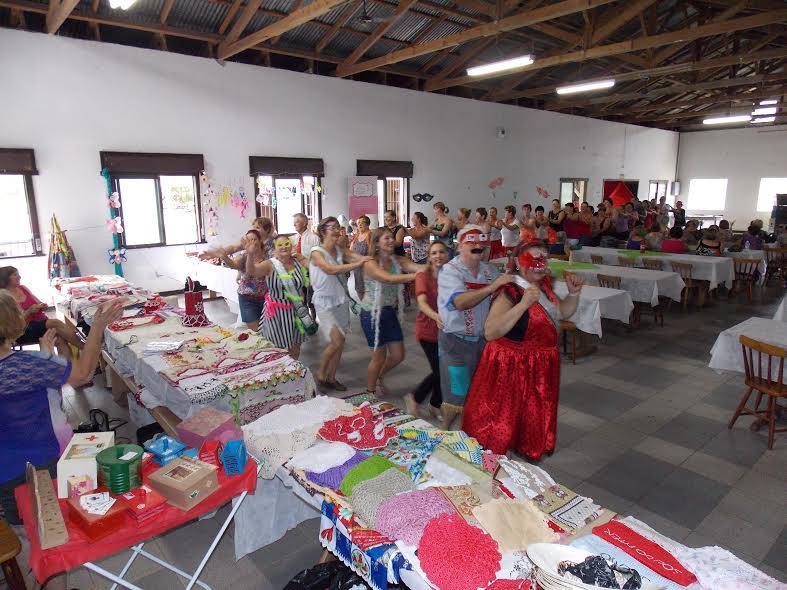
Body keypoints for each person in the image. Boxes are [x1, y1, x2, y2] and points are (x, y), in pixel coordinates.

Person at [0, 293, 125, 525]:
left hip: (5, 471)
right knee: (57, 518)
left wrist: (47, 358)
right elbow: (84, 373)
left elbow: (31, 396)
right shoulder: (29, 365)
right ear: (15, 322)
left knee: (23, 522)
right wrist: (97, 326)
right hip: (42, 462)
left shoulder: (34, 365)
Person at [462, 241, 582, 459]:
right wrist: (523, 304)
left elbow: (561, 314)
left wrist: (573, 294)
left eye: (543, 258)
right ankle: (492, 471)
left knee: (526, 421)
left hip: (538, 369)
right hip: (510, 369)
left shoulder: (544, 286)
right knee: (500, 425)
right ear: (517, 262)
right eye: (532, 258)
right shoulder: (510, 291)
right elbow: (491, 331)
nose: (539, 264)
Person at [437, 227, 514, 430]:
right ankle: (444, 434)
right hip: (455, 344)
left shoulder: (490, 271)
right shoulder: (449, 271)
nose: (478, 246)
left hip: (483, 344)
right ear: (460, 245)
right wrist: (492, 287)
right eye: (471, 242)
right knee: (456, 396)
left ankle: (469, 437)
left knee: (479, 393)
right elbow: (461, 302)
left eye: (482, 243)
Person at [309, 217, 370, 391]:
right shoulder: (316, 252)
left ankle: (331, 377)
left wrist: (369, 259)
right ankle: (321, 373)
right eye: (333, 228)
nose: (337, 231)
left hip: (340, 299)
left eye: (338, 227)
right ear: (322, 231)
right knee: (336, 341)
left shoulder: (339, 249)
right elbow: (330, 269)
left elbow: (357, 256)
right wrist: (358, 263)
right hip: (324, 302)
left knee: (341, 342)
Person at [358, 229, 420, 396]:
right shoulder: (370, 263)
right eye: (387, 238)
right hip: (371, 313)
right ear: (377, 243)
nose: (392, 240)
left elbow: (418, 267)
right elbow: (387, 278)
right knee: (379, 357)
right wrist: (415, 276)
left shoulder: (398, 260)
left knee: (398, 355)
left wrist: (436, 265)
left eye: (392, 237)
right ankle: (370, 392)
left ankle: (378, 376)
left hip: (388, 311)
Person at [242, 234, 312, 358]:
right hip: (276, 313)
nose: (284, 247)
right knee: (275, 348)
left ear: (292, 246)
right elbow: (251, 271)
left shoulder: (298, 262)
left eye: (287, 244)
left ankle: (293, 372)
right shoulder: (270, 264)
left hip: (296, 311)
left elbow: (305, 282)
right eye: (280, 245)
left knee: (295, 346)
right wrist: (250, 254)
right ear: (274, 249)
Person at [404, 241, 449, 419]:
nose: (438, 256)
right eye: (434, 253)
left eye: (441, 252)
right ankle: (415, 398)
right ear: (429, 257)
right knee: (439, 370)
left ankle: (435, 404)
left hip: (446, 330)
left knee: (444, 370)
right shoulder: (423, 275)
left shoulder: (449, 274)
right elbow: (421, 302)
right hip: (428, 330)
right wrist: (436, 316)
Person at [0, 267, 84, 357]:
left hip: (39, 324)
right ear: (6, 278)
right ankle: (87, 349)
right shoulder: (3, 297)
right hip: (22, 330)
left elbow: (38, 302)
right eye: (15, 275)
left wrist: (42, 306)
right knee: (55, 323)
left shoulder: (23, 288)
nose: (19, 277)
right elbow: (11, 323)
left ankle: (69, 369)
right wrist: (28, 312)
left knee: (60, 339)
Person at [218, 230, 269, 331]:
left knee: (267, 329)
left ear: (260, 240)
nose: (252, 242)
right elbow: (233, 265)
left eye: (254, 239)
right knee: (255, 330)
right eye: (249, 240)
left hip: (266, 299)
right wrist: (223, 256)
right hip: (247, 299)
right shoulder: (243, 256)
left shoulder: (268, 254)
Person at [199, 217, 273, 260]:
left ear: (267, 229)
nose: (254, 230)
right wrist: (212, 254)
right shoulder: (250, 239)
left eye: (258, 228)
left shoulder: (273, 242)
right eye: (253, 227)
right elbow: (233, 247)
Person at [350, 215, 372, 299]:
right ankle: (363, 306)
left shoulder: (370, 235)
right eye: (358, 223)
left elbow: (372, 253)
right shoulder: (356, 236)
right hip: (357, 267)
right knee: (359, 289)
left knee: (369, 289)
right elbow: (351, 250)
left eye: (363, 222)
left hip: (367, 267)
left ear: (368, 224)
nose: (360, 224)